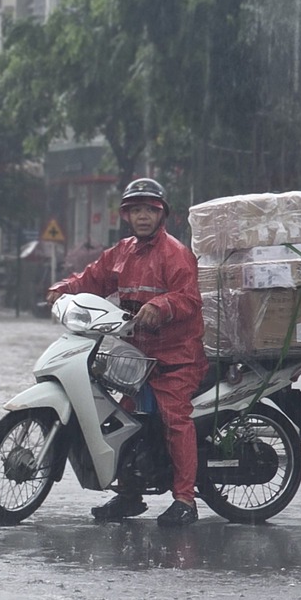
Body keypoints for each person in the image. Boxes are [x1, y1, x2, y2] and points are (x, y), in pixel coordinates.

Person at [43, 177, 205, 527]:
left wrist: (161, 306)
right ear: (126, 216)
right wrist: (61, 289)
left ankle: (185, 500)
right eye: (136, 210)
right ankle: (130, 495)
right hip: (136, 358)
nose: (143, 216)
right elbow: (91, 279)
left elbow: (189, 298)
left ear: (162, 214)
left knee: (174, 418)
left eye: (150, 210)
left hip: (177, 357)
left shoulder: (176, 254)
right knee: (122, 420)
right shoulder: (122, 252)